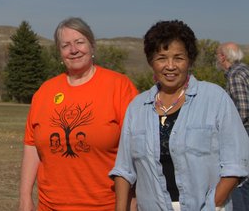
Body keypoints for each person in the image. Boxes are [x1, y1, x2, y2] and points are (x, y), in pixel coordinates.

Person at [110, 20, 249, 211]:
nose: (170, 66)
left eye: (178, 58)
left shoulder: (215, 99)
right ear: (151, 61)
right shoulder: (137, 108)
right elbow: (124, 170)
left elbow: (236, 163)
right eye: (161, 58)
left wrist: (213, 204)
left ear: (189, 60)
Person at [19, 17, 138, 210]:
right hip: (51, 206)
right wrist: (25, 196)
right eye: (66, 45)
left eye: (79, 42)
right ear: (60, 52)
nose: (73, 50)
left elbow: (136, 149)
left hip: (105, 205)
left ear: (92, 46)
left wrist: (131, 201)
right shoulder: (45, 92)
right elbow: (31, 146)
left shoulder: (119, 86)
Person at [216, 42, 249, 211]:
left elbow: (243, 109)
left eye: (218, 55)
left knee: (241, 183)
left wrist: (231, 133)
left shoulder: (235, 75)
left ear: (223, 57)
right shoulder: (244, 70)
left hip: (245, 134)